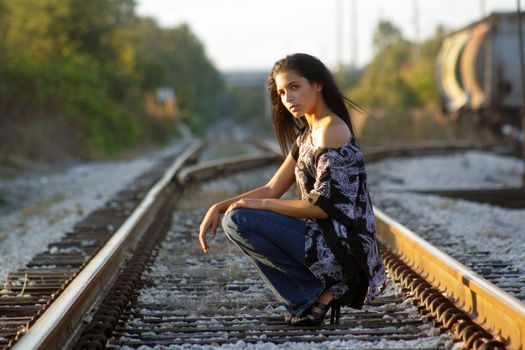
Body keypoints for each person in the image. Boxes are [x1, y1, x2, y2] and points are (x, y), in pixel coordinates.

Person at [198, 53, 386, 326]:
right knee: (233, 219)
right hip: (323, 241)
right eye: (282, 92)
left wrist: (259, 206)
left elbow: (321, 207)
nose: (288, 98)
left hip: (343, 251)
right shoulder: (308, 134)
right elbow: (272, 188)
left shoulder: (331, 131)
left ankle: (314, 295)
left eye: (295, 87)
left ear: (318, 84)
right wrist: (218, 206)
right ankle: (312, 297)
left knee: (241, 219)